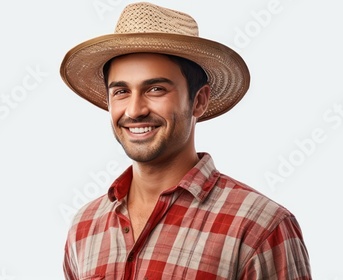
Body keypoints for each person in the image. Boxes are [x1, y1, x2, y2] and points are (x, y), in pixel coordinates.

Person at [59, 2, 312, 279]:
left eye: (155, 89)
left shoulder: (259, 227)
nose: (134, 110)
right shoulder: (85, 227)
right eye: (121, 91)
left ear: (199, 101)